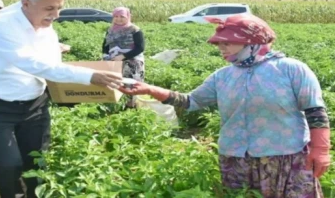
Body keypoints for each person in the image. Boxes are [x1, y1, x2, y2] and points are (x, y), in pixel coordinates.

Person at [119, 13, 331, 197]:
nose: (221, 48)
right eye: (219, 43)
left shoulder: (291, 69)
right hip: (237, 159)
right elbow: (190, 102)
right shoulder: (222, 76)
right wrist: (149, 89)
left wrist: (320, 151)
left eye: (226, 42)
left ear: (251, 41)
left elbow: (314, 110)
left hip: (286, 158)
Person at [0, 0, 123, 198]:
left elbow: (52, 64)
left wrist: (80, 89)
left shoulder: (44, 25)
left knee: (36, 161)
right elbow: (32, 63)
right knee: (9, 163)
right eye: (50, 8)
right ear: (26, 3)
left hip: (34, 105)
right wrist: (90, 76)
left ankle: (34, 195)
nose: (56, 15)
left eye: (59, 8)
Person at [102, 7, 145, 108]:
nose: (119, 19)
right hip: (114, 61)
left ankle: (131, 108)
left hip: (132, 63)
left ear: (128, 17)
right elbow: (105, 45)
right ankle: (117, 107)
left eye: (122, 16)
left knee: (130, 86)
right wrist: (105, 56)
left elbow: (140, 48)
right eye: (116, 16)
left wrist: (123, 56)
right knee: (115, 84)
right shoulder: (111, 29)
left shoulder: (135, 30)